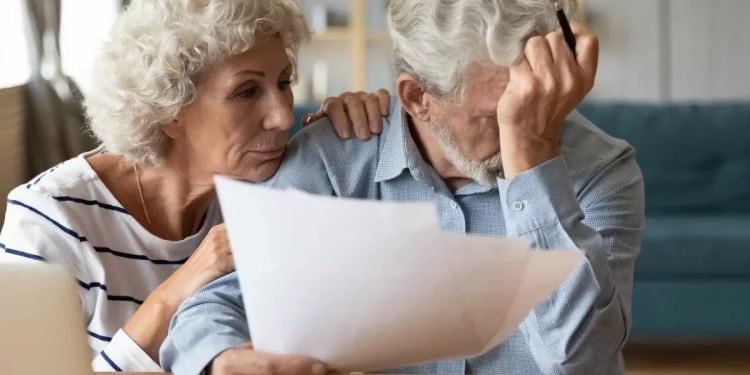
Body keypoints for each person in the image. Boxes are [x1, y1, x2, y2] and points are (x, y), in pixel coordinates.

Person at [160, 0, 646, 375]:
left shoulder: (603, 169)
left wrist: (533, 154)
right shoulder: (332, 160)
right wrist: (222, 359)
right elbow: (214, 304)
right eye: (495, 113)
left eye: (529, 100)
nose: (521, 121)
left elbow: (579, 361)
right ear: (418, 98)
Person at [0, 0, 392, 372]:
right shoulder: (51, 219)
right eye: (247, 91)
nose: (282, 115)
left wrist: (359, 138)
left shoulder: (266, 185)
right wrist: (180, 287)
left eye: (284, 82)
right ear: (170, 109)